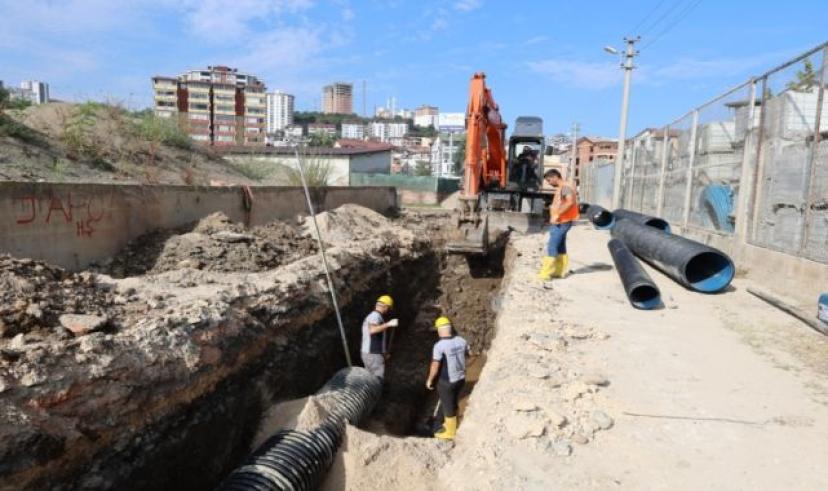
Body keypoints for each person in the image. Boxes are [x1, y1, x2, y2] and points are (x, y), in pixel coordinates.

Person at [425, 316, 469, 440]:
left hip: (447, 381)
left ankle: (450, 432)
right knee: (453, 400)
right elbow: (469, 354)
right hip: (460, 379)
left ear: (439, 330)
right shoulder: (461, 340)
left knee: (448, 405)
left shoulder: (439, 346)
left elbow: (435, 365)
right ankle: (445, 422)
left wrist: (430, 380)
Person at [537, 169, 579, 280]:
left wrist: (557, 214)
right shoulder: (563, 187)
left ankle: (546, 273)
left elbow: (569, 202)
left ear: (555, 177)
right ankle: (559, 271)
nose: (549, 183)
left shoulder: (565, 187)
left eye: (549, 180)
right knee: (560, 246)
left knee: (552, 246)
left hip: (561, 221)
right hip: (562, 221)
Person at [360, 295, 398, 379]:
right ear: (385, 306)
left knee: (370, 380)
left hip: (371, 354)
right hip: (373, 354)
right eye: (388, 308)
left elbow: (378, 339)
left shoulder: (376, 316)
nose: (388, 311)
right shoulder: (375, 316)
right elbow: (372, 330)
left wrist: (384, 354)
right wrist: (389, 324)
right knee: (377, 380)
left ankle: (371, 391)